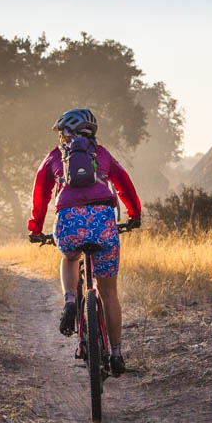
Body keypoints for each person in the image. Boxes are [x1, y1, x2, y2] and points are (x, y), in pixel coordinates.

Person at [27, 108, 141, 376]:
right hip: (103, 221)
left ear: (66, 133)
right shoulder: (102, 155)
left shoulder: (56, 156)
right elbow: (125, 184)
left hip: (68, 222)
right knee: (109, 292)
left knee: (69, 257)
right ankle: (115, 354)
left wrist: (35, 228)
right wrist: (134, 215)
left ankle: (69, 300)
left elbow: (40, 194)